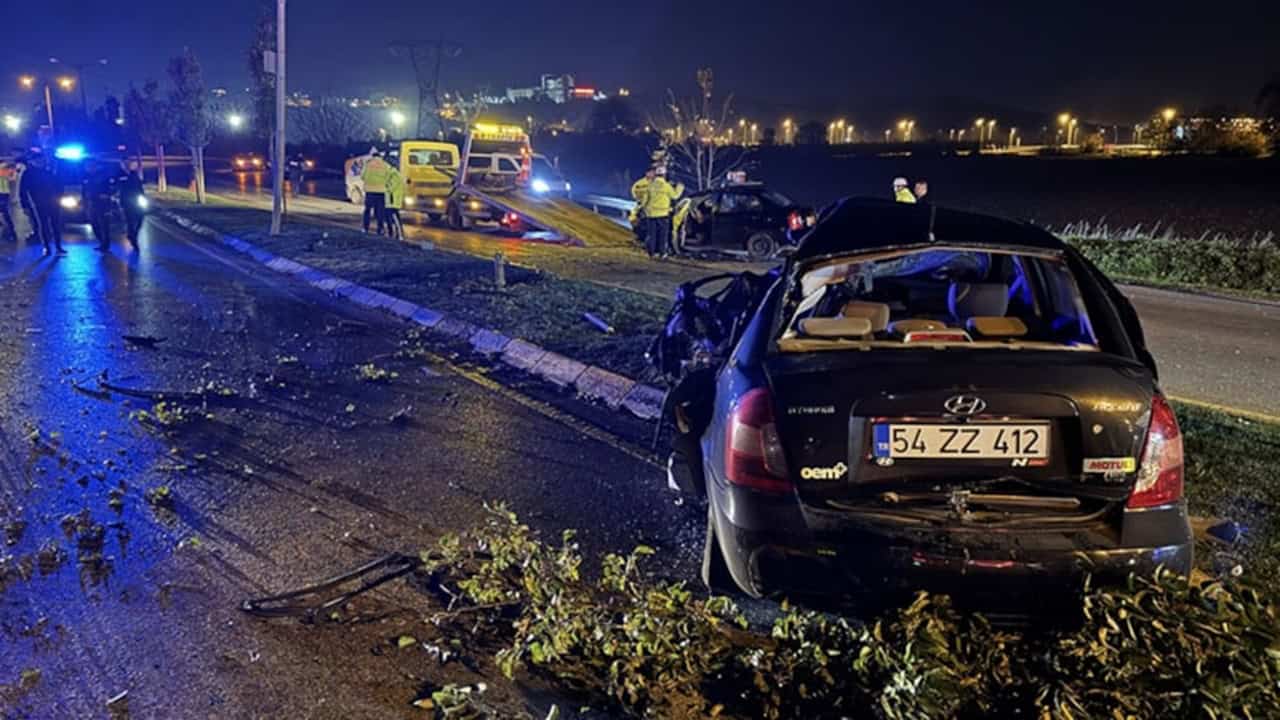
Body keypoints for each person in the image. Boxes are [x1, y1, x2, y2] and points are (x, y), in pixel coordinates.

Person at [20, 153, 64, 255]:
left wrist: (59, 197)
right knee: (43, 225)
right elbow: (23, 190)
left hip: (53, 202)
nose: (42, 162)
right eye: (39, 161)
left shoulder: (49, 171)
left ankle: (58, 246)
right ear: (33, 161)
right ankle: (47, 247)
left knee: (56, 224)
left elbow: (58, 185)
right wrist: (25, 205)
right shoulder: (28, 173)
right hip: (38, 203)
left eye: (43, 160)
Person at [640, 166, 684, 258]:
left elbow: (644, 201)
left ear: (656, 175)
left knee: (652, 234)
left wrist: (643, 209)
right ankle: (662, 253)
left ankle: (651, 253)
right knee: (662, 235)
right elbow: (675, 196)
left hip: (651, 214)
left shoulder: (650, 186)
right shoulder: (666, 186)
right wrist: (679, 188)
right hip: (663, 215)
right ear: (664, 175)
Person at [83, 158, 117, 250]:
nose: (88, 168)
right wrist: (84, 201)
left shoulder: (103, 176)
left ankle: (105, 244)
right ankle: (102, 241)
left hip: (103, 203)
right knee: (94, 223)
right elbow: (85, 191)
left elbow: (112, 188)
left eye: (90, 166)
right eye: (87, 166)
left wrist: (107, 195)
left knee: (104, 224)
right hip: (92, 203)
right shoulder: (86, 177)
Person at [360, 150, 391, 234]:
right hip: (381, 192)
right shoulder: (385, 165)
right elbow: (389, 178)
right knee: (380, 211)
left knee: (367, 210)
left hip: (369, 191)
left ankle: (365, 228)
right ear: (380, 157)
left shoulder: (368, 165)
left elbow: (362, 176)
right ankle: (380, 229)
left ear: (372, 156)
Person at [118, 159, 147, 242]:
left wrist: (143, 196)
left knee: (140, 218)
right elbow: (117, 187)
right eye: (125, 163)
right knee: (130, 219)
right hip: (126, 201)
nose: (127, 165)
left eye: (128, 163)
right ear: (122, 165)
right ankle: (131, 235)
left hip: (137, 199)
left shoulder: (134, 174)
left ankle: (134, 233)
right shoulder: (119, 175)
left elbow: (139, 186)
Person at [630, 167, 655, 248]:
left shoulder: (656, 183)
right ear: (646, 173)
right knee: (637, 221)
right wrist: (639, 200)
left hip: (652, 207)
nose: (652, 174)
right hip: (642, 206)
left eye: (653, 173)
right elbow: (634, 191)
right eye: (650, 172)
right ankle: (639, 237)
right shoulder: (640, 183)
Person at [384, 163, 405, 240]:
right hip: (390, 201)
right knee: (390, 218)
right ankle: (392, 234)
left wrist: (384, 185)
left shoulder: (394, 175)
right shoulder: (393, 174)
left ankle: (399, 235)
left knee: (394, 218)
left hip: (392, 201)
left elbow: (390, 188)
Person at [0, 157, 16, 241]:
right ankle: (11, 232)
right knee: (5, 212)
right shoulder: (6, 168)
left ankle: (11, 232)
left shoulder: (4, 168)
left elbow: (11, 179)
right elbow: (11, 179)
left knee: (5, 212)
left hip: (3, 193)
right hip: (4, 193)